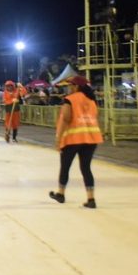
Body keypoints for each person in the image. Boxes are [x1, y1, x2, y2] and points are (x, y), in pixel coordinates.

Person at [49, 76, 104, 208]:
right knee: (86, 168)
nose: (69, 88)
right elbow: (96, 116)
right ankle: (91, 199)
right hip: (91, 138)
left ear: (76, 86)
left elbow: (66, 118)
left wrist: (58, 138)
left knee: (65, 167)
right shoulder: (92, 100)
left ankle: (61, 194)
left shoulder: (70, 99)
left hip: (73, 138)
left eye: (70, 85)